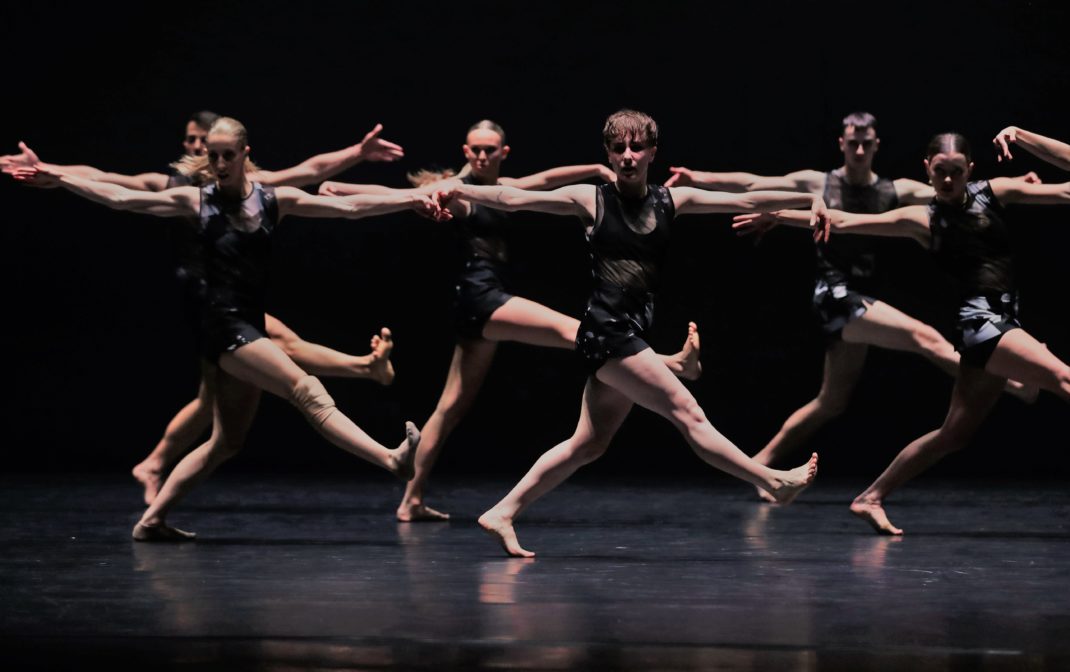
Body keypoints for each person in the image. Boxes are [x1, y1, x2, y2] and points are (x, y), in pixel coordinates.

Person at [10, 116, 442, 541]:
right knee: (305, 388)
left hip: (249, 322)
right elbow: (118, 197)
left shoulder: (273, 199)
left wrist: (409, 200)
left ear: (244, 155)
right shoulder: (195, 201)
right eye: (212, 156)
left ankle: (150, 522)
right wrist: (57, 176)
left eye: (226, 156)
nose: (216, 163)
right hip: (223, 327)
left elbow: (348, 207)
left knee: (225, 442)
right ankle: (390, 460)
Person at [432, 110, 822, 557]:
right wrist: (460, 188)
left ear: (653, 152)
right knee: (688, 412)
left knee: (588, 444)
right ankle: (772, 480)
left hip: (629, 331)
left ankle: (502, 511)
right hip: (608, 334)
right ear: (609, 154)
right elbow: (511, 196)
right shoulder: (590, 199)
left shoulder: (672, 201)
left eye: (637, 148)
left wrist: (810, 198)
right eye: (618, 149)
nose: (628, 156)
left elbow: (741, 198)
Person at [323, 120, 702, 522]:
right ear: (465, 152)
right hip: (482, 298)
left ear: (502, 153)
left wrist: (595, 170)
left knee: (448, 408)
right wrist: (342, 189)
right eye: (476, 150)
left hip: (478, 308)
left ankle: (411, 500)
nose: (482, 156)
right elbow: (401, 195)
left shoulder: (501, 185)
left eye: (490, 150)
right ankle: (671, 363)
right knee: (575, 330)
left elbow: (545, 178)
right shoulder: (458, 191)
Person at [665, 112, 1035, 500]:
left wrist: (1014, 185)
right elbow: (754, 182)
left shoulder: (896, 189)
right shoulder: (820, 182)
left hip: (862, 300)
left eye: (867, 143)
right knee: (924, 336)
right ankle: (1011, 383)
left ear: (876, 145)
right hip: (836, 296)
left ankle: (760, 468)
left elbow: (959, 189)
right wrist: (700, 178)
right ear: (841, 144)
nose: (859, 149)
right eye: (852, 142)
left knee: (830, 402)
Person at [732, 132, 1070, 534]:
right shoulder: (921, 218)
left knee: (952, 435)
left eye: (956, 172)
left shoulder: (995, 192)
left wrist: (1023, 136)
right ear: (927, 170)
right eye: (940, 172)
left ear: (970, 171)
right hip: (982, 326)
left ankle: (871, 497)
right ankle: (1023, 384)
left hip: (1000, 323)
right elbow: (841, 221)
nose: (947, 180)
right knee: (1064, 377)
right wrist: (779, 215)